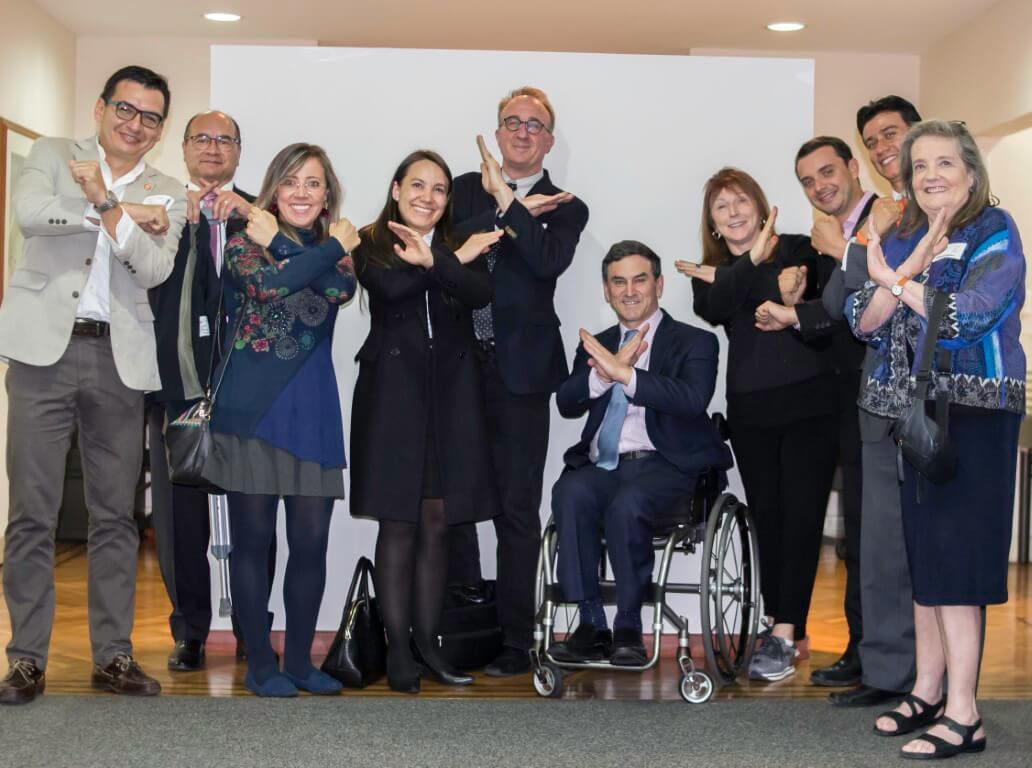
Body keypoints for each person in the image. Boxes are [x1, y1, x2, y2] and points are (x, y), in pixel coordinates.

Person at [0, 65, 183, 705]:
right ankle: (25, 659)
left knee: (115, 517)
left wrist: (109, 204)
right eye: (125, 109)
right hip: (41, 355)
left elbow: (155, 268)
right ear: (101, 109)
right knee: (31, 512)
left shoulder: (171, 190)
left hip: (120, 361)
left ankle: (112, 656)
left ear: (160, 129)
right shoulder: (53, 154)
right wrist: (124, 213)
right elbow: (29, 216)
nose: (135, 123)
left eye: (150, 117)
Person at [848, 120, 1024, 759]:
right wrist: (908, 268)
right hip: (916, 415)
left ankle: (966, 712)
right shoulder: (907, 235)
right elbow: (862, 322)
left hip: (974, 412)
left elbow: (968, 315)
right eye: (920, 166)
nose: (930, 176)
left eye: (944, 163)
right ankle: (927, 690)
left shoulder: (993, 232)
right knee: (927, 561)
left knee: (956, 565)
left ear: (971, 173)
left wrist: (897, 282)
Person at [206, 143, 359, 697]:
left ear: (326, 197)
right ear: (272, 191)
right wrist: (272, 238)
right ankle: (260, 666)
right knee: (252, 544)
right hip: (250, 413)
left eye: (313, 183)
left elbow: (338, 289)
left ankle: (297, 661)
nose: (301, 191)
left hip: (313, 410)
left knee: (311, 544)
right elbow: (268, 286)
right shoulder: (246, 246)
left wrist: (297, 245)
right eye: (291, 181)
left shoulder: (338, 256)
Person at [676, 167, 840, 682]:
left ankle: (787, 630)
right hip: (751, 410)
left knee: (802, 516)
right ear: (714, 225)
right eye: (721, 208)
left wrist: (754, 283)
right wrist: (747, 271)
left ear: (761, 205)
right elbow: (720, 305)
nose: (733, 212)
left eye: (740, 200)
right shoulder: (710, 273)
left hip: (812, 402)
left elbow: (815, 302)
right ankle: (776, 620)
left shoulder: (798, 247)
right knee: (768, 517)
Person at [448, 87, 590, 676]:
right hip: (455, 366)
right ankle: (454, 626)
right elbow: (442, 248)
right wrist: (503, 211)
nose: (523, 132)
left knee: (515, 509)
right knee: (452, 502)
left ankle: (515, 638)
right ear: (498, 130)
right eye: (513, 122)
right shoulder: (457, 189)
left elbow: (546, 263)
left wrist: (512, 206)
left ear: (549, 140)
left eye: (535, 125)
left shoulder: (567, 205)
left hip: (523, 376)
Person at [349, 150, 500, 692]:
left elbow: (481, 293)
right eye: (417, 185)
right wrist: (446, 262)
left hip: (452, 397)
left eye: (439, 189)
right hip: (394, 395)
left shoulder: (456, 245)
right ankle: (397, 652)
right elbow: (390, 291)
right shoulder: (371, 241)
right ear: (396, 189)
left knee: (438, 521)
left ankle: (430, 645)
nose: (428, 197)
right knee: (399, 521)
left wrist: (441, 259)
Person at [548, 241, 731, 665]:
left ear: (659, 285)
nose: (629, 291)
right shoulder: (598, 344)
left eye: (639, 279)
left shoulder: (695, 341)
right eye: (618, 282)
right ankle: (591, 623)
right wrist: (601, 375)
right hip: (605, 463)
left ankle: (628, 624)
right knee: (570, 493)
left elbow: (691, 398)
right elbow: (566, 401)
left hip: (669, 465)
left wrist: (626, 375)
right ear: (607, 291)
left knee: (629, 503)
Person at [146, 110, 275, 672]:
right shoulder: (161, 211)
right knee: (181, 521)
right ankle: (191, 632)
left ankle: (252, 628)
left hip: (248, 391)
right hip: (178, 387)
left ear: (240, 153)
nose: (214, 148)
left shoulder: (262, 215)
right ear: (184, 148)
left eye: (226, 140)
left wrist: (249, 214)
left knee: (254, 517)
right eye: (203, 138)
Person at [825, 95, 925, 709]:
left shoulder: (956, 211)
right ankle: (888, 674)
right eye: (872, 140)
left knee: (932, 543)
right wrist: (862, 247)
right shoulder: (881, 219)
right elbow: (846, 301)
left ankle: (934, 679)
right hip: (877, 392)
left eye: (891, 134)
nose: (883, 147)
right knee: (881, 542)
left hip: (936, 398)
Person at [794, 136, 878, 688]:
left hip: (882, 401)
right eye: (808, 180)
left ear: (853, 168)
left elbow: (871, 306)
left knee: (873, 533)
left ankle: (877, 654)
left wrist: (836, 253)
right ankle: (863, 647)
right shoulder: (823, 237)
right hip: (843, 403)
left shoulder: (886, 219)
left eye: (828, 171)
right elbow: (830, 319)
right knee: (857, 534)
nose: (821, 185)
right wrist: (793, 307)